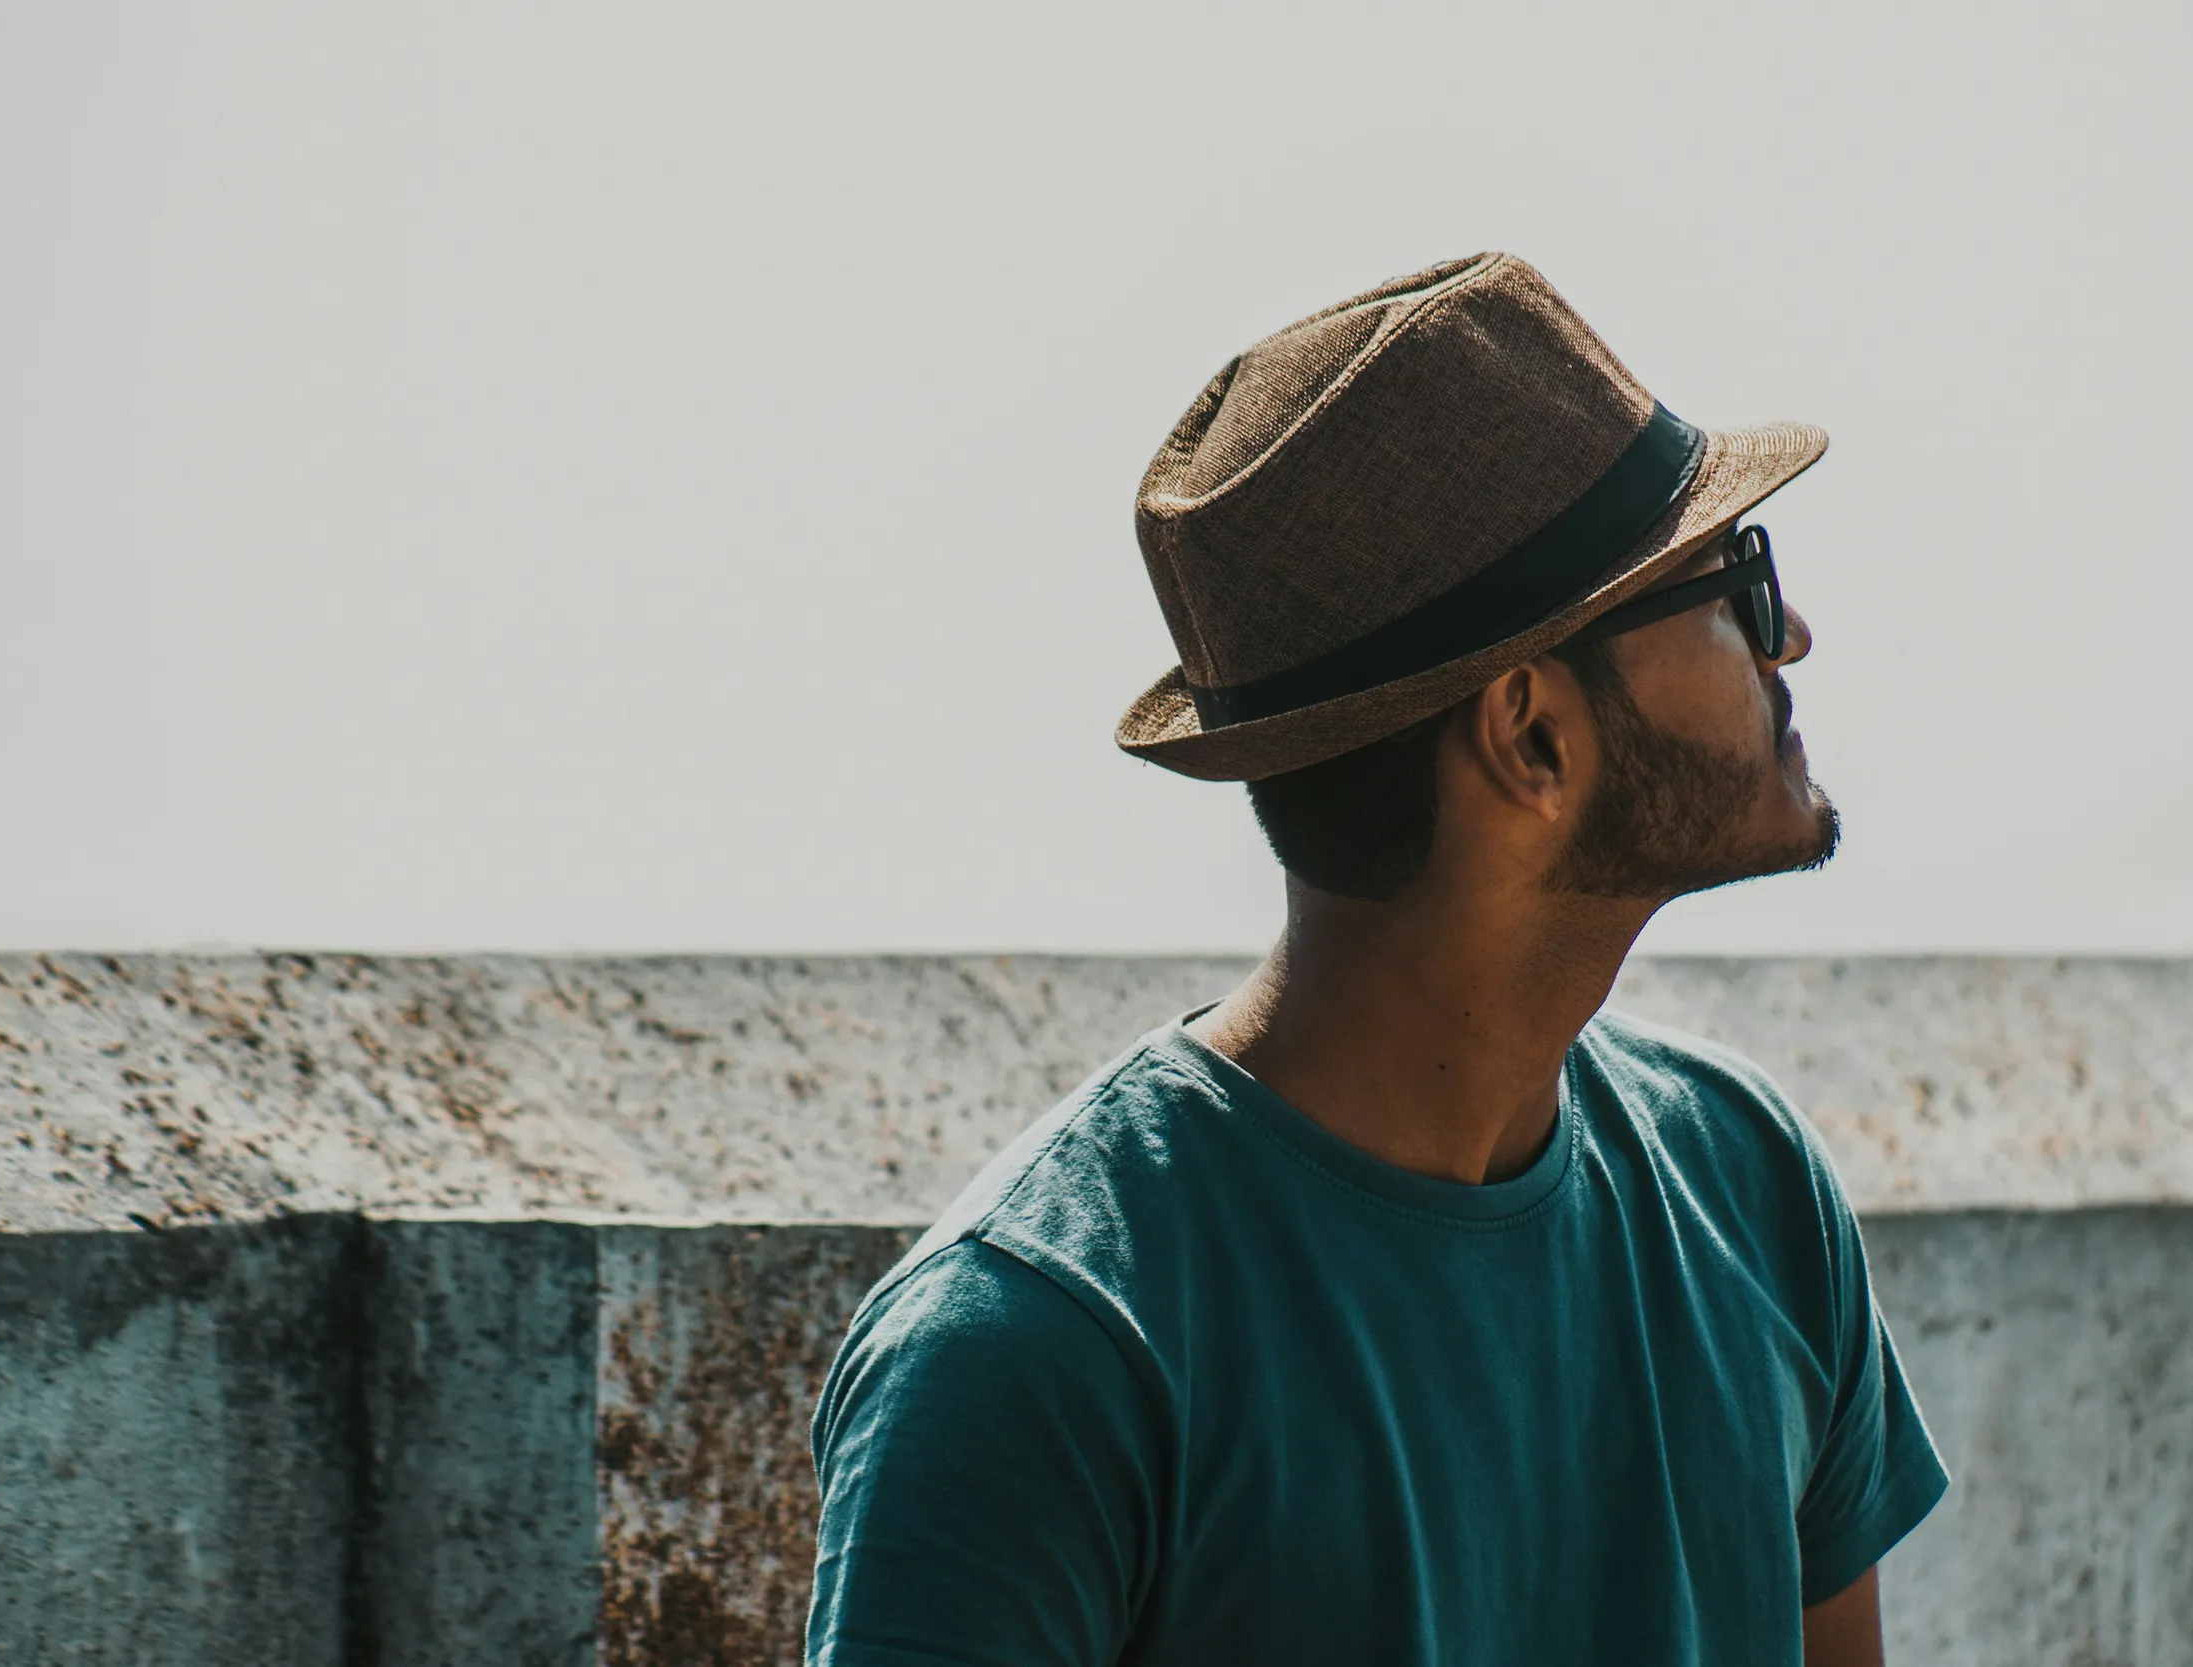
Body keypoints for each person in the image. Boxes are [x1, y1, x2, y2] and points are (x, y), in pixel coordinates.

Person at [806, 252, 1946, 1665]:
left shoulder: (1751, 1185)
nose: (1794, 638)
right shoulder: (1037, 1350)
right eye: (1736, 580)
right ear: (1533, 736)